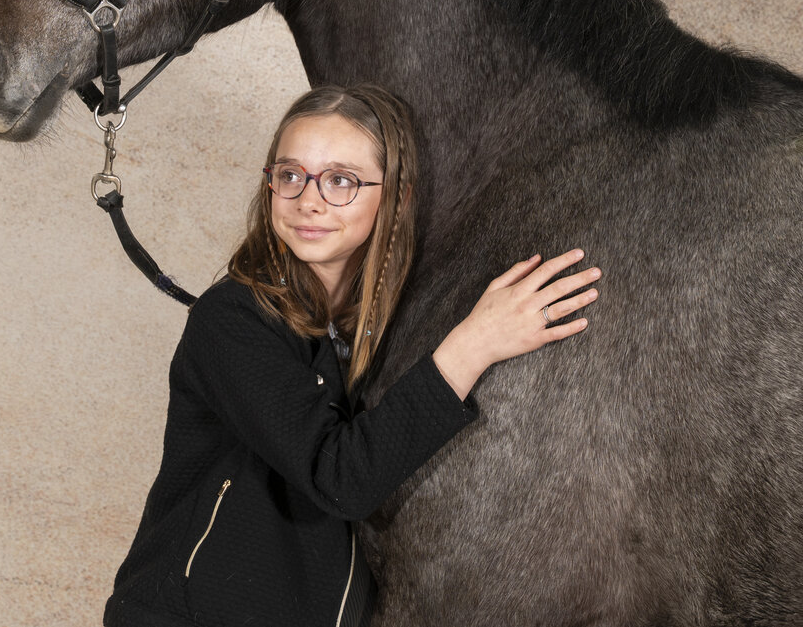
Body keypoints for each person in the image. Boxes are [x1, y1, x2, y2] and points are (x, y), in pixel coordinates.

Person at [103, 84, 602, 627]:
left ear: (396, 197)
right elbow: (339, 476)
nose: (308, 200)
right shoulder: (232, 319)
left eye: (340, 180)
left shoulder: (376, 328)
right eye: (290, 175)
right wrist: (476, 342)